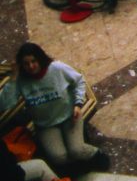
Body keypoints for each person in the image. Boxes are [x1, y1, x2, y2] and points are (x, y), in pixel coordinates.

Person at [0, 43, 109, 173]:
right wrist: (13, 79)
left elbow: (79, 81)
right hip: (45, 125)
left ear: (40, 59)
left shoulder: (57, 68)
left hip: (70, 116)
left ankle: (97, 155)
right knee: (58, 157)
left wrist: (78, 104)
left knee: (77, 150)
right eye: (26, 63)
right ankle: (78, 168)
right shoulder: (20, 80)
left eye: (33, 61)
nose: (31, 66)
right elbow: (5, 104)